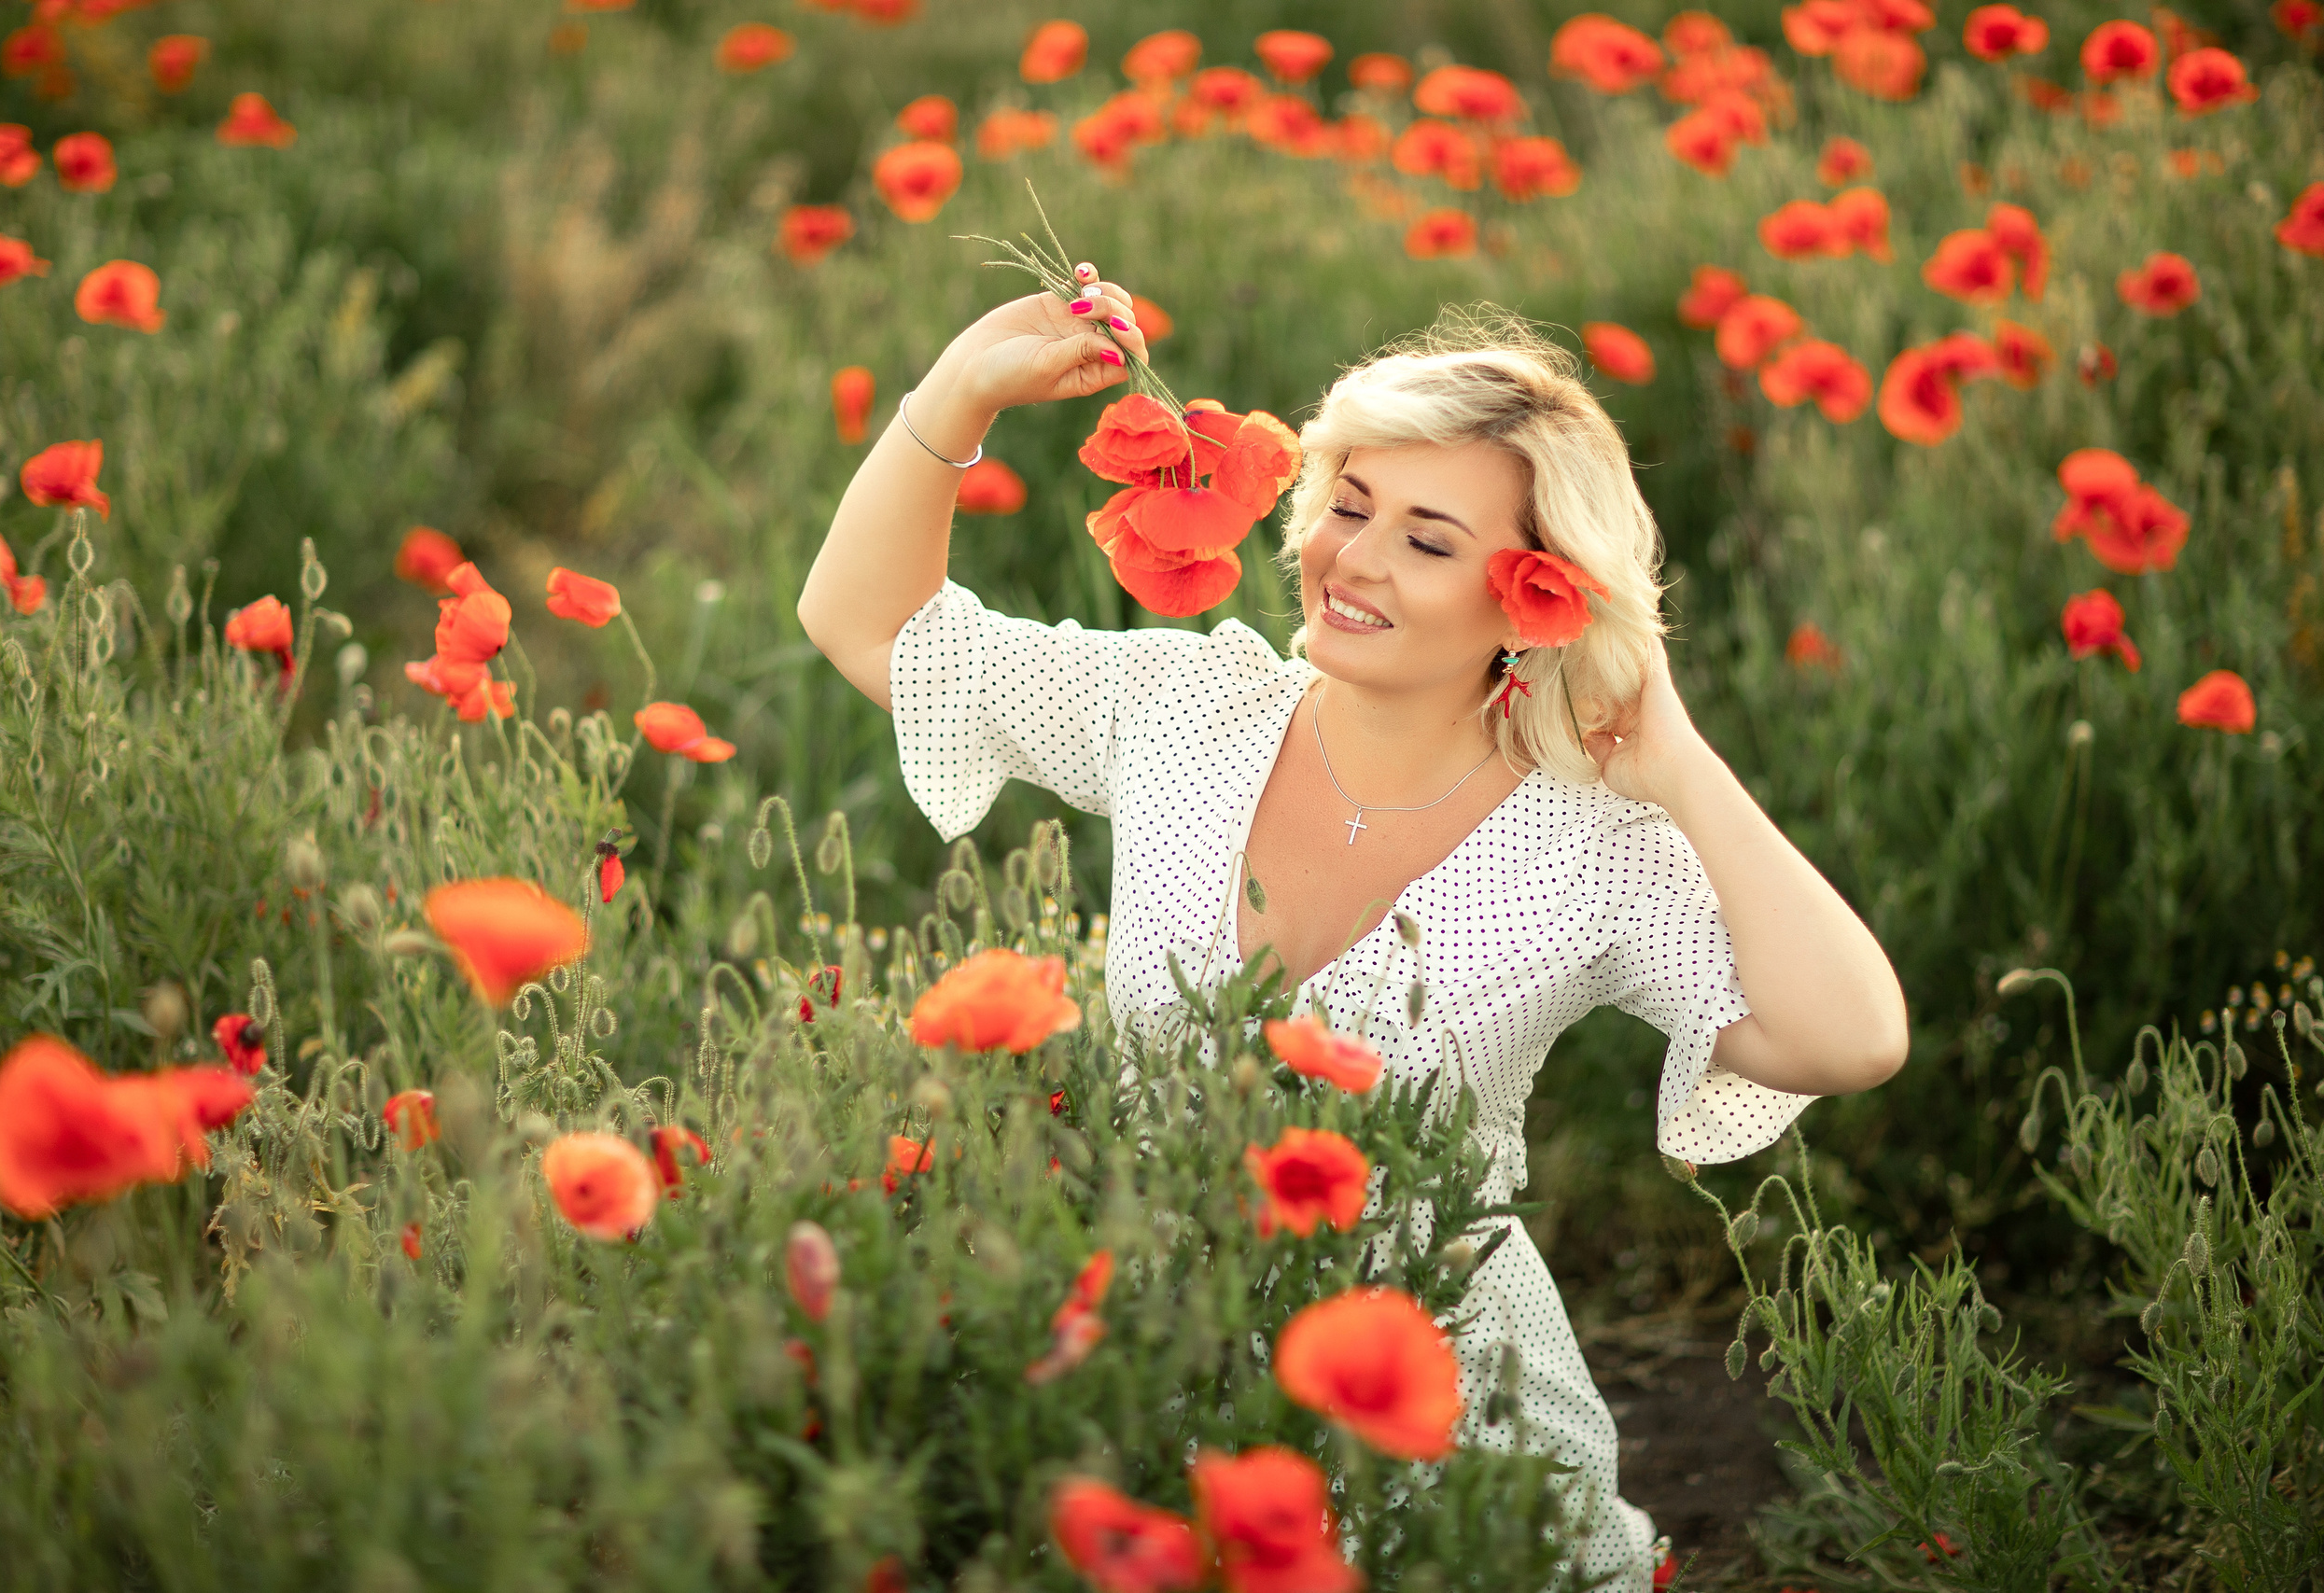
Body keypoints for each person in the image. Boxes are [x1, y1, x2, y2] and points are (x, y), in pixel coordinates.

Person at [799, 269, 1910, 1592]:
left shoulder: (1590, 847)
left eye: (1429, 541)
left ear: (1534, 596)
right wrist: (958, 395)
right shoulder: (1182, 711)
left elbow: (1847, 1039)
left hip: (1443, 1408)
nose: (1355, 559)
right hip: (1157, 1374)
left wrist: (1677, 764)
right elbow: (866, 626)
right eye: (1350, 504)